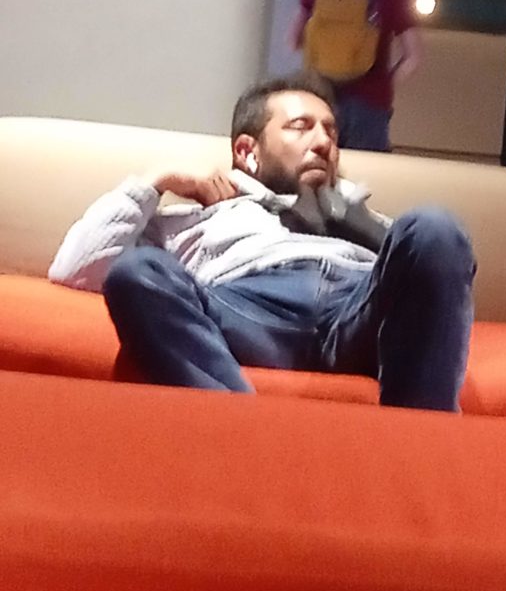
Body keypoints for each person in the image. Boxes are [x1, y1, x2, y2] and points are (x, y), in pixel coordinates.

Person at [48, 75, 475, 411]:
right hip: (247, 311)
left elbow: (437, 289)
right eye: (301, 127)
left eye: (330, 131)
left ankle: (419, 447)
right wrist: (157, 181)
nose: (323, 143)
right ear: (247, 151)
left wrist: (367, 227)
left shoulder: (371, 223)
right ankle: (244, 431)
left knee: (435, 227)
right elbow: (77, 266)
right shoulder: (201, 216)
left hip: (356, 313)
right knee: (137, 271)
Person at [290, 0, 423, 152]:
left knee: (317, 168)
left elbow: (293, 40)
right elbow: (413, 57)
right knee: (364, 172)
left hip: (321, 96)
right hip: (369, 103)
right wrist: (385, 83)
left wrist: (327, 54)